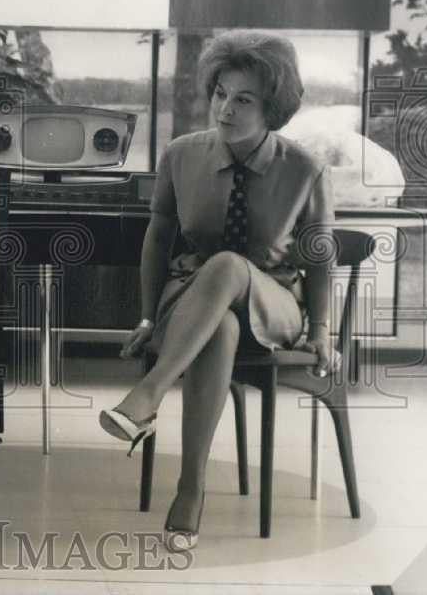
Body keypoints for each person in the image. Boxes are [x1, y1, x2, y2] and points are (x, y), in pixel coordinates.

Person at [98, 31, 339, 552]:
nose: (225, 109)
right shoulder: (182, 155)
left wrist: (321, 330)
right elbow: (158, 238)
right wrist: (145, 318)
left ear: (273, 108)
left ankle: (151, 392)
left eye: (244, 99)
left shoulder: (304, 169)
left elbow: (320, 260)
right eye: (220, 94)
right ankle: (190, 492)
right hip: (192, 302)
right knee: (220, 327)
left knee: (230, 266)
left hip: (273, 302)